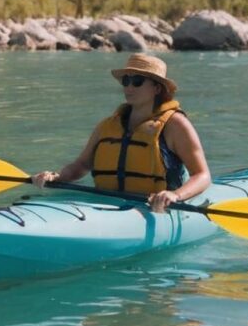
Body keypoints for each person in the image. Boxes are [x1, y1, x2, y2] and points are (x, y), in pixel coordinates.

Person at [32, 53, 211, 212]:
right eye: (126, 80)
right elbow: (81, 165)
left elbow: (202, 176)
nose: (129, 87)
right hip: (107, 202)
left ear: (157, 88)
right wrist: (57, 176)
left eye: (137, 81)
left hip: (155, 207)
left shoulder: (176, 125)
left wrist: (175, 196)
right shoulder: (107, 125)